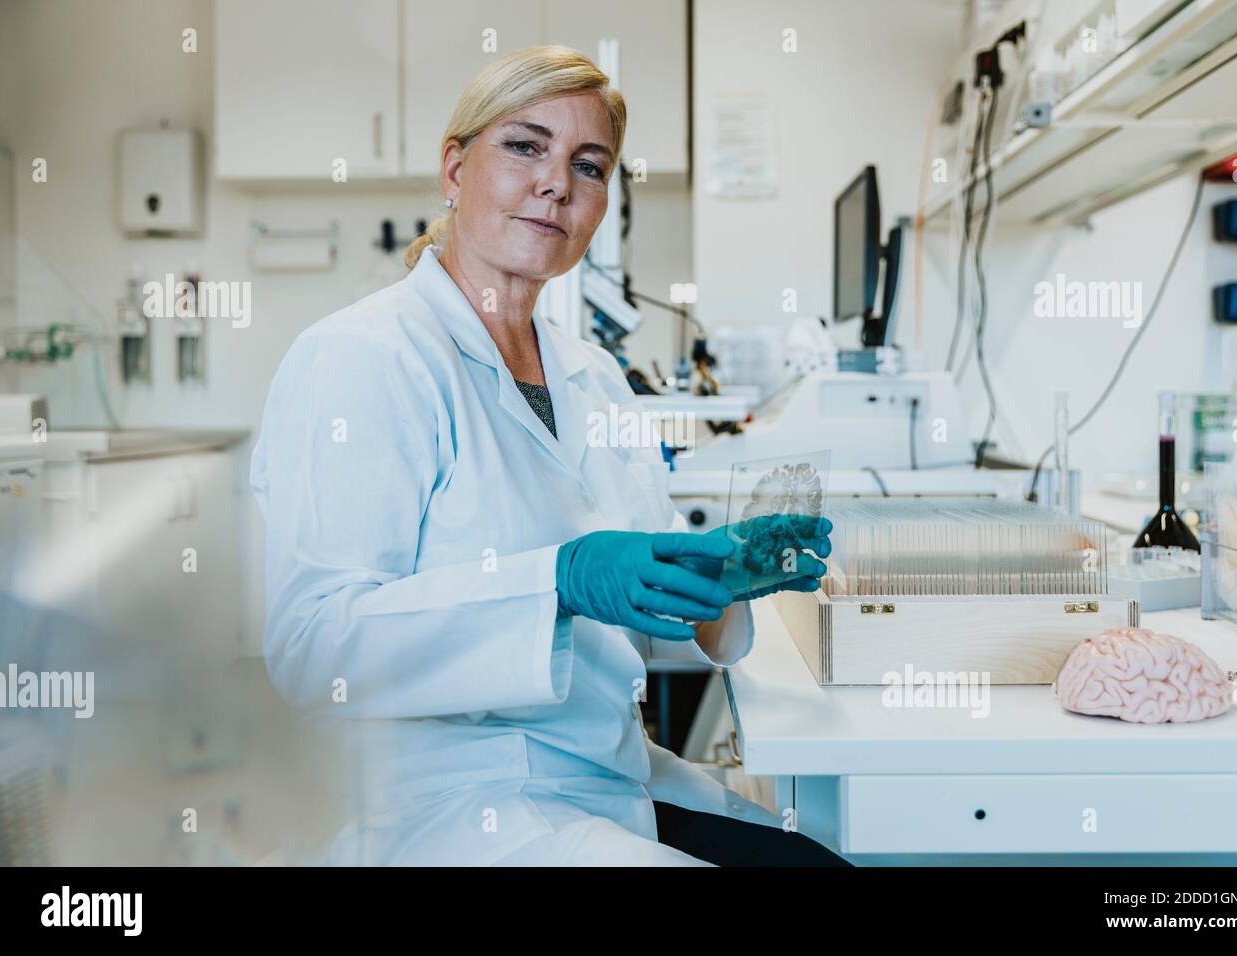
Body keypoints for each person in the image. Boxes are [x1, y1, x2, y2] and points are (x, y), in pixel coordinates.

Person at [250, 45, 845, 866]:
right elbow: (314, 648)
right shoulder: (364, 357)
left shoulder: (591, 374)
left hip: (604, 779)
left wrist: (717, 580)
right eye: (526, 146)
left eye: (589, 165)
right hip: (452, 804)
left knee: (819, 858)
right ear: (454, 168)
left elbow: (630, 603)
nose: (557, 182)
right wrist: (555, 581)